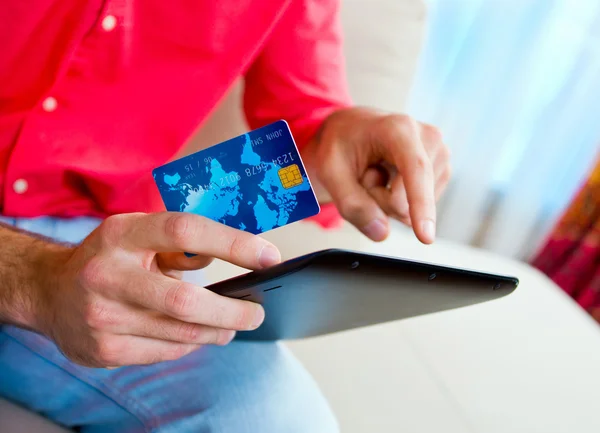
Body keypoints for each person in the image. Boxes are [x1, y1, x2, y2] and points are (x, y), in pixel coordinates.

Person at [0, 1, 451, 431]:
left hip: (100, 237)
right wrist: (35, 280)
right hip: (48, 260)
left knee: (275, 421)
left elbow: (305, 129)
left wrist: (334, 142)